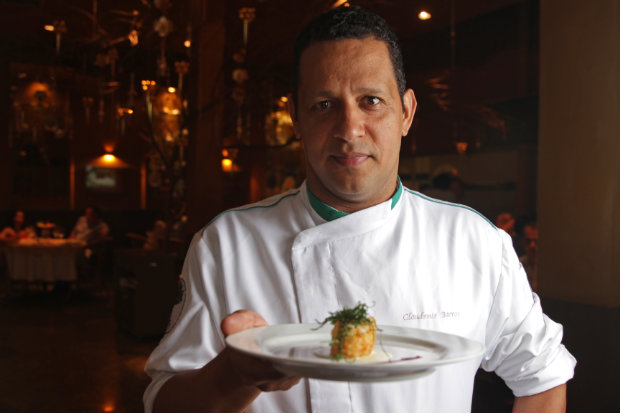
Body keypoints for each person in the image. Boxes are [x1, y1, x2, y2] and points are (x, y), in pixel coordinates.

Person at [144, 6, 575, 413]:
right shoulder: (226, 244)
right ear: (295, 117)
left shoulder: (472, 242)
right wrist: (235, 376)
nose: (349, 130)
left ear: (405, 113)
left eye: (371, 100)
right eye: (324, 105)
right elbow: (164, 401)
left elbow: (544, 375)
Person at [519, 221, 539, 291]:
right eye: (528, 241)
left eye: (536, 241)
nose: (532, 246)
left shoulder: (551, 268)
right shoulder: (517, 265)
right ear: (522, 242)